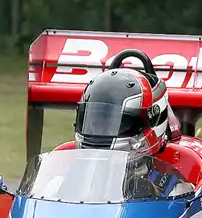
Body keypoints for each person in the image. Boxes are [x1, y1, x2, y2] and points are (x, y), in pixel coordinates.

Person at [72, 66, 193, 199]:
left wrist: (154, 196)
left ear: (151, 123)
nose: (99, 130)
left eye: (113, 122)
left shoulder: (173, 190)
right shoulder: (68, 179)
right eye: (94, 121)